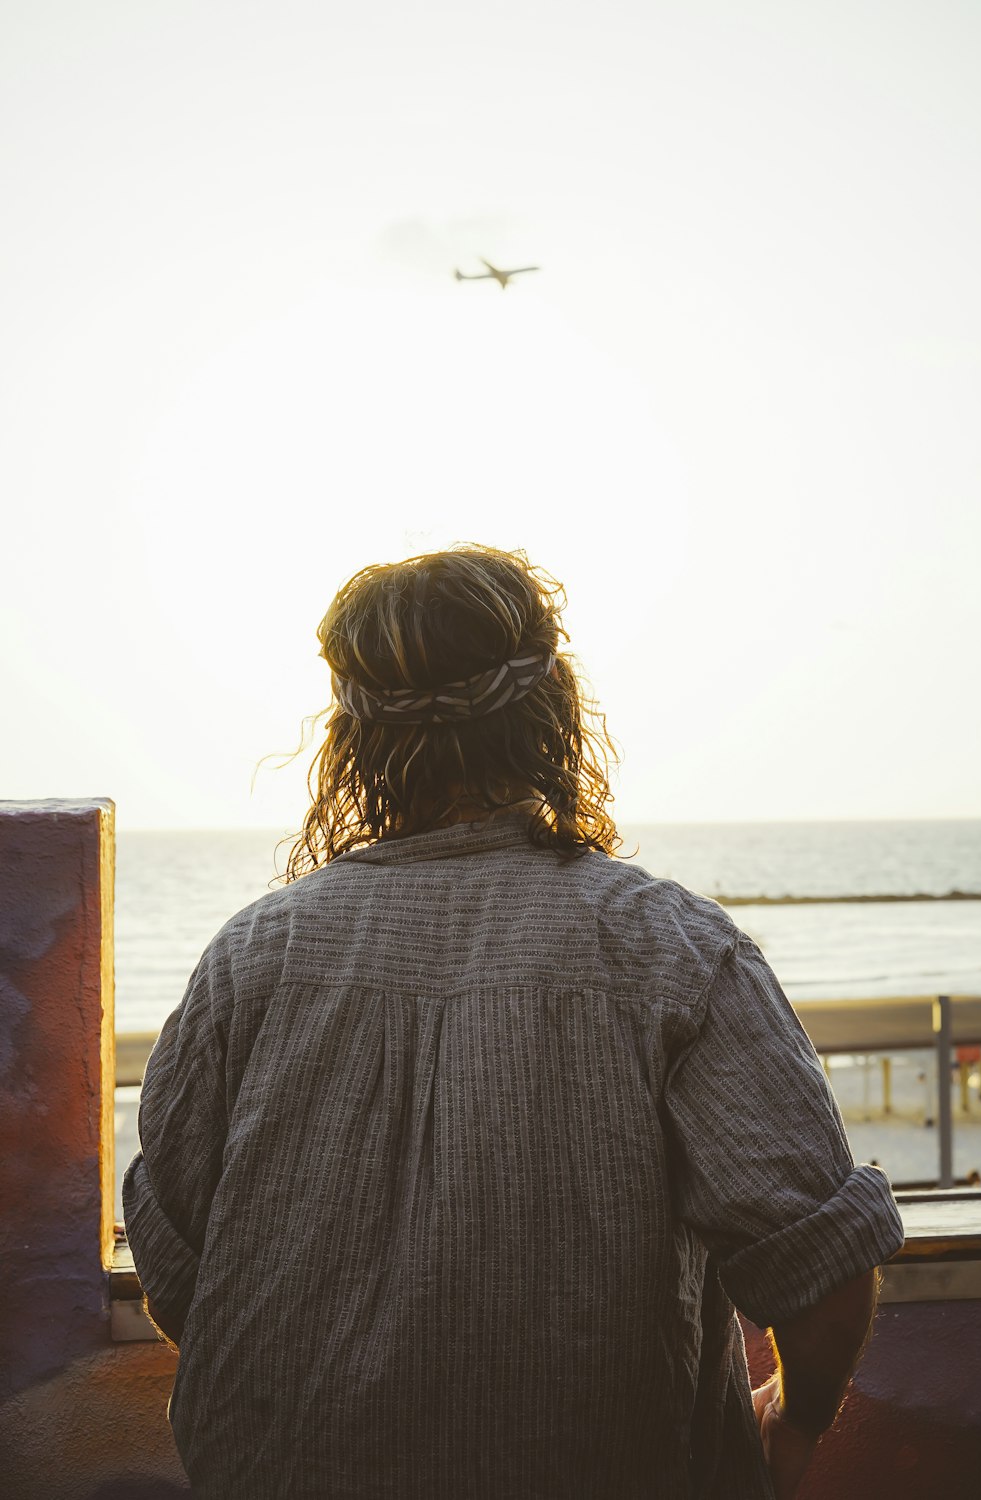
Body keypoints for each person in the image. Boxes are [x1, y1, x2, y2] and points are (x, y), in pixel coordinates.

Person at [124, 545, 904, 1499]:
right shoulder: (675, 951)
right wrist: (794, 1419)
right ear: (554, 717)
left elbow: (174, 1265)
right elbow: (817, 1271)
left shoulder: (254, 958)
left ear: (349, 743)